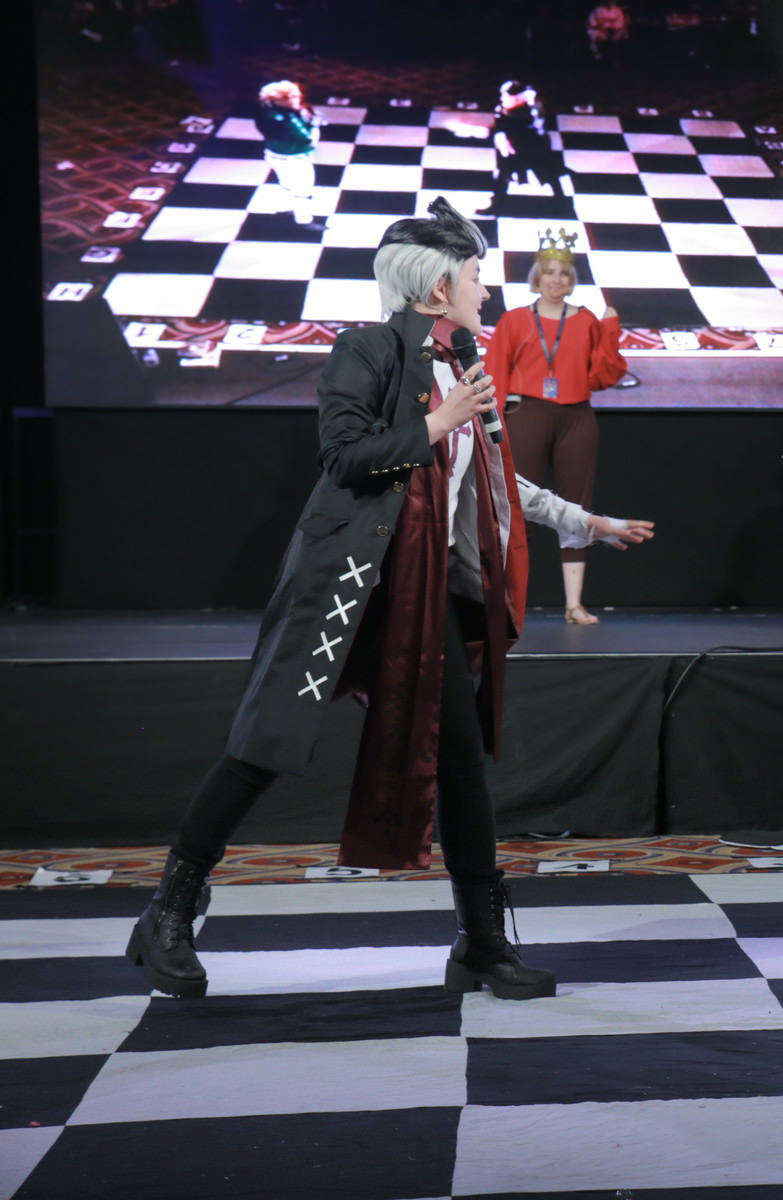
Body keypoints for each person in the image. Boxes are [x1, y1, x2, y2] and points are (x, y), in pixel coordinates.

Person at [125, 197, 654, 1003]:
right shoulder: (365, 350)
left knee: (460, 764)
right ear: (439, 288)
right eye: (475, 276)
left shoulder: (465, 368)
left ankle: (481, 944)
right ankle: (169, 910)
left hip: (424, 592)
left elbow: (498, 479)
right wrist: (439, 421)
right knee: (265, 744)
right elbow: (343, 456)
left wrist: (588, 521)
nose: (486, 289)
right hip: (348, 586)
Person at [486, 229, 637, 623]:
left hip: (576, 416)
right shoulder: (515, 320)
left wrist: (610, 331)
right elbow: (495, 373)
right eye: (549, 272)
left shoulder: (586, 321)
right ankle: (506, 602)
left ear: (572, 280)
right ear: (537, 277)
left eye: (564, 273)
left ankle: (573, 604)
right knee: (517, 505)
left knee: (577, 506)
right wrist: (490, 425)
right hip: (527, 415)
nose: (556, 280)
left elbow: (604, 376)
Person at [478, 80, 567, 215]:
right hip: (514, 148)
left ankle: (562, 204)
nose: (502, 98)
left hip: (534, 148)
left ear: (518, 97)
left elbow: (533, 127)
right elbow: (500, 125)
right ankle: (497, 204)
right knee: (502, 175)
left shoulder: (532, 110)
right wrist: (502, 137)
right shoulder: (502, 109)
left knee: (549, 175)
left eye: (506, 96)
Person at [254, 80, 323, 230]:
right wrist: (314, 124)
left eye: (297, 96)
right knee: (303, 189)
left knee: (285, 183)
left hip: (273, 154)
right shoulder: (288, 119)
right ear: (278, 100)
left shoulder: (265, 112)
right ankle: (304, 221)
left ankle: (284, 208)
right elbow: (308, 141)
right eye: (291, 97)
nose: (297, 100)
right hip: (295, 158)